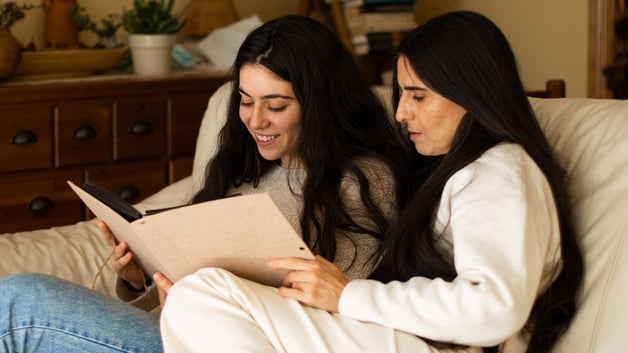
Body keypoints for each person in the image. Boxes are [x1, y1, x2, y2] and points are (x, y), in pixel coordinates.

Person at [159, 11, 584, 353]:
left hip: (437, 345)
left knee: (203, 293)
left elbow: (495, 308)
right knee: (198, 300)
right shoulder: (464, 170)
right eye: (401, 95)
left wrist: (347, 297)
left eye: (418, 96)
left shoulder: (500, 168)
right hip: (406, 335)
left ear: (472, 94)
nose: (401, 113)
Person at [0, 15, 407, 353]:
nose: (256, 120)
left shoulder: (362, 182)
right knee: (18, 296)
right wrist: (141, 277)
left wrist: (199, 302)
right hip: (177, 328)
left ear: (321, 103)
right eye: (246, 101)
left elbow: (341, 319)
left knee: (22, 302)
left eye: (276, 105)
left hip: (228, 341)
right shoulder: (244, 166)